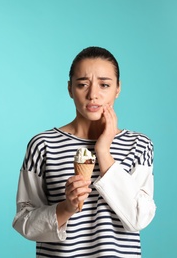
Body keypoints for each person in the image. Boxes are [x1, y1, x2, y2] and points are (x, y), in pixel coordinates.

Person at [12, 46, 156, 257]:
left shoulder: (139, 145)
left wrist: (103, 151)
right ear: (70, 89)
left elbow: (138, 218)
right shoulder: (43, 145)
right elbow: (24, 221)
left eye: (104, 85)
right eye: (82, 85)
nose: (93, 95)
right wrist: (66, 208)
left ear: (118, 89)